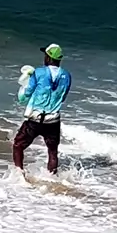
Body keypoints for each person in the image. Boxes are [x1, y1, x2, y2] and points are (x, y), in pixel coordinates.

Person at [13, 43, 71, 175]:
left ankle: (19, 174)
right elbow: (62, 98)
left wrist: (24, 84)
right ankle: (52, 177)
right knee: (52, 151)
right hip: (53, 119)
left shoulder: (38, 73)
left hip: (36, 118)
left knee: (18, 145)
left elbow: (26, 94)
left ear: (48, 58)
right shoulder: (67, 76)